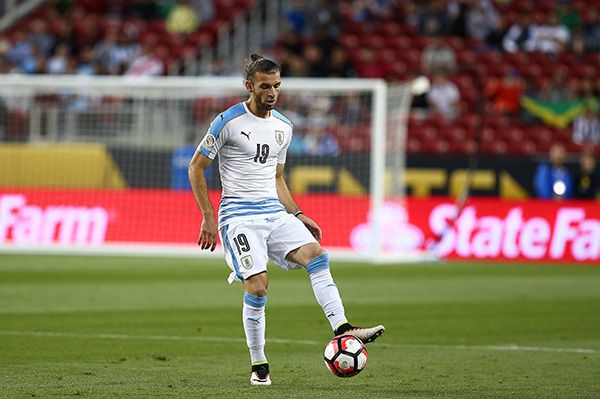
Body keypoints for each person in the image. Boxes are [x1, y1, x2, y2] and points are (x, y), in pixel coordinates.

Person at [188, 53, 385, 386]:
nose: (272, 92)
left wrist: (297, 213)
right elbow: (196, 167)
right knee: (258, 287)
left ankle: (342, 328)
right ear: (250, 86)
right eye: (265, 86)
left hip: (274, 212)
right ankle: (259, 364)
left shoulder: (284, 126)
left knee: (318, 256)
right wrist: (208, 216)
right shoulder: (226, 122)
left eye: (277, 85)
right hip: (238, 217)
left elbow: (277, 177)